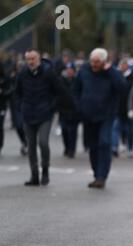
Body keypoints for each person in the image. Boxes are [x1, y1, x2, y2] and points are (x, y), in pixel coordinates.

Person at [73, 48, 125, 189]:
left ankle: (102, 177)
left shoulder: (112, 72)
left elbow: (122, 87)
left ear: (104, 62)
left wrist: (110, 71)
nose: (94, 64)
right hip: (88, 114)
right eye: (92, 61)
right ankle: (97, 174)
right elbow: (76, 89)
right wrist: (79, 106)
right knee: (93, 146)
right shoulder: (84, 71)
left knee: (104, 143)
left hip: (106, 115)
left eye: (98, 62)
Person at [15, 49, 62, 186]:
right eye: (28, 59)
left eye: (33, 59)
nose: (30, 62)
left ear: (39, 59)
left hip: (44, 114)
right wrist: (20, 106)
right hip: (28, 113)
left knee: (43, 142)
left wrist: (51, 107)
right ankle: (34, 175)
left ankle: (45, 170)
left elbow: (58, 91)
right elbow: (17, 92)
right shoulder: (22, 73)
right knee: (31, 146)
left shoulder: (48, 72)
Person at [112, 59, 133, 158]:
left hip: (129, 108)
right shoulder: (116, 76)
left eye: (125, 65)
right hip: (118, 107)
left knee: (129, 130)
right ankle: (114, 147)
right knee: (115, 128)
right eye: (121, 65)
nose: (123, 67)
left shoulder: (132, 77)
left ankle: (130, 148)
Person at [57, 62, 80, 158]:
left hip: (74, 110)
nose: (69, 72)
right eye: (68, 70)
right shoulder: (61, 81)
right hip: (63, 109)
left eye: (71, 70)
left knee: (72, 131)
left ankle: (72, 149)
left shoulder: (77, 81)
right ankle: (66, 147)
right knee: (64, 130)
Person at [0, 63, 13, 156]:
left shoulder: (4, 78)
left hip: (1, 106)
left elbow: (10, 90)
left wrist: (3, 92)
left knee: (0, 127)